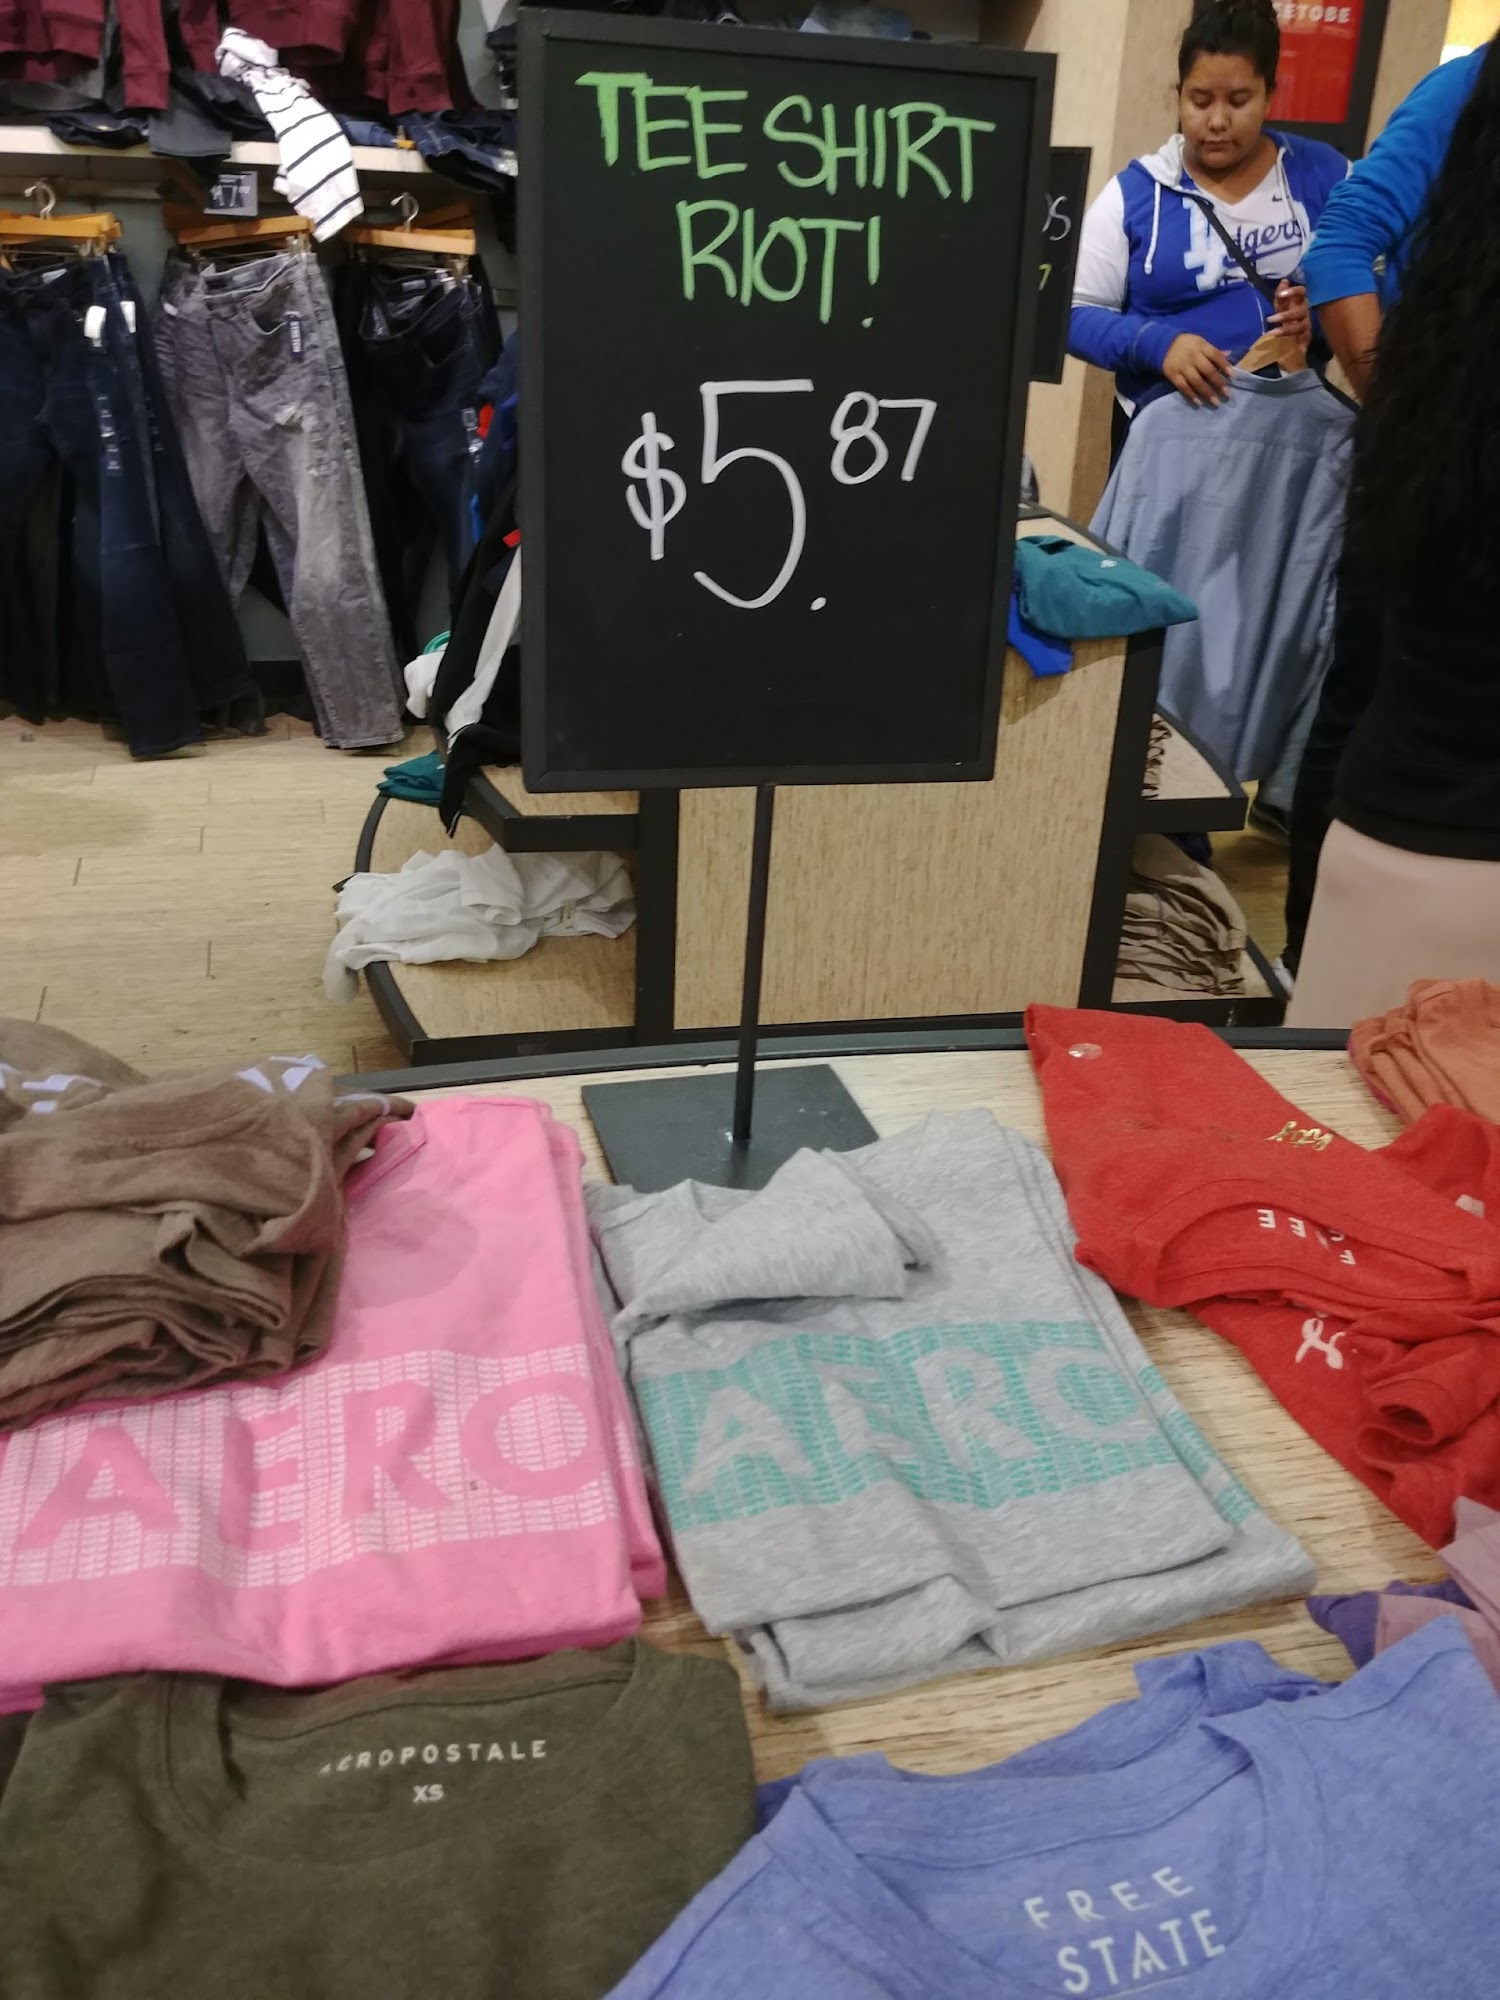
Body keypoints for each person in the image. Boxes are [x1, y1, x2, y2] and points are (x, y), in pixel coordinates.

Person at [1286, 33, 1500, 1027]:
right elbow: (1340, 245)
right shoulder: (1469, 87)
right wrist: (1412, 421)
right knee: (1366, 696)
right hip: (1444, 453)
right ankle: (1302, 958)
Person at [1069, 0, 1347, 425]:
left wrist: (1319, 320)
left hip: (1285, 434)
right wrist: (1158, 345)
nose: (1217, 121)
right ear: (1178, 95)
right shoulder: (1135, 193)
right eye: (1200, 101)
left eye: (1239, 100)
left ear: (1270, 96)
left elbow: (1383, 283)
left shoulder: (1323, 174)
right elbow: (1072, 315)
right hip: (1164, 436)